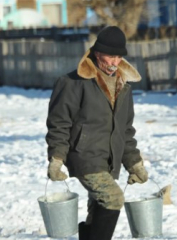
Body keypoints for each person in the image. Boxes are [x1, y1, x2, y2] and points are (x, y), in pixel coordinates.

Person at [45, 26, 149, 240]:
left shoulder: (124, 86)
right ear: (97, 52)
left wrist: (134, 163)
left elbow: (125, 131)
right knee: (113, 198)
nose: (114, 62)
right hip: (84, 155)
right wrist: (56, 158)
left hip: (110, 159)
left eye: (119, 57)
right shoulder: (73, 83)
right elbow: (59, 124)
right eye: (110, 56)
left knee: (98, 207)